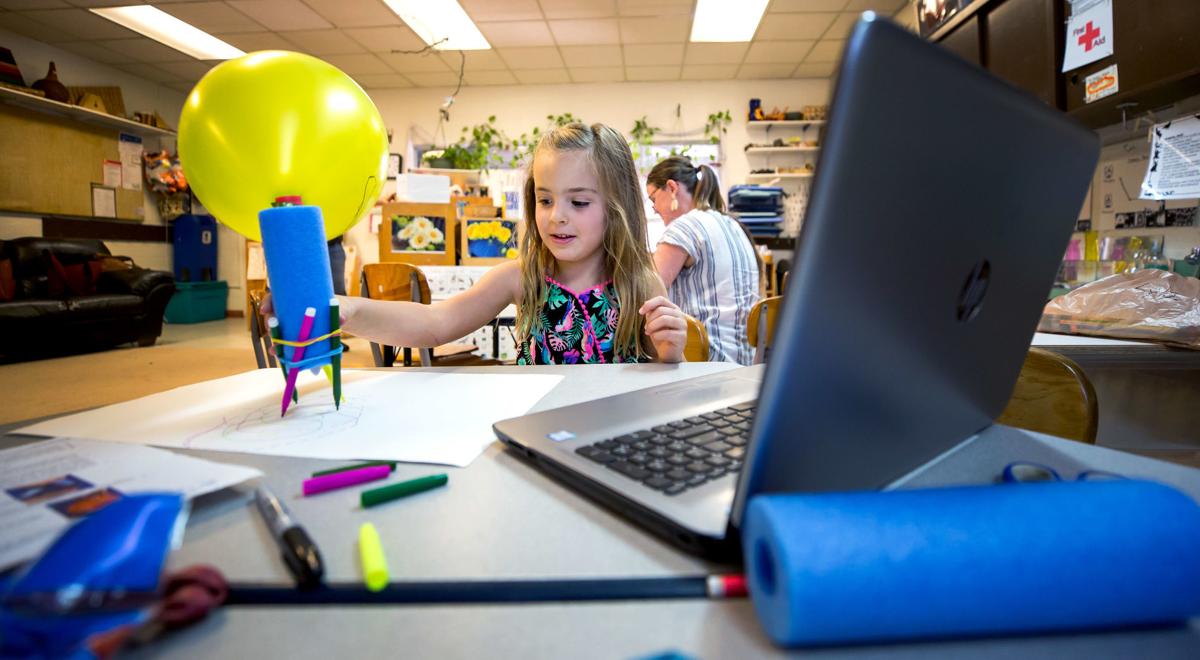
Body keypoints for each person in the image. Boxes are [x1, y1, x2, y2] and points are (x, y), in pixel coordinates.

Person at [326, 123, 687, 364]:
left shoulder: (640, 282)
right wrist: (349, 310)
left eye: (578, 202)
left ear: (616, 206)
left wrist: (671, 354)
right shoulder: (521, 278)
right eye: (545, 200)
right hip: (537, 440)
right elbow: (434, 323)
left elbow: (662, 381)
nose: (556, 216)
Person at [646, 156, 760, 365]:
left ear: (672, 188)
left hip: (707, 359)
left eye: (653, 198)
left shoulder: (684, 227)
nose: (653, 208)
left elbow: (646, 293)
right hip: (746, 360)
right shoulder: (733, 224)